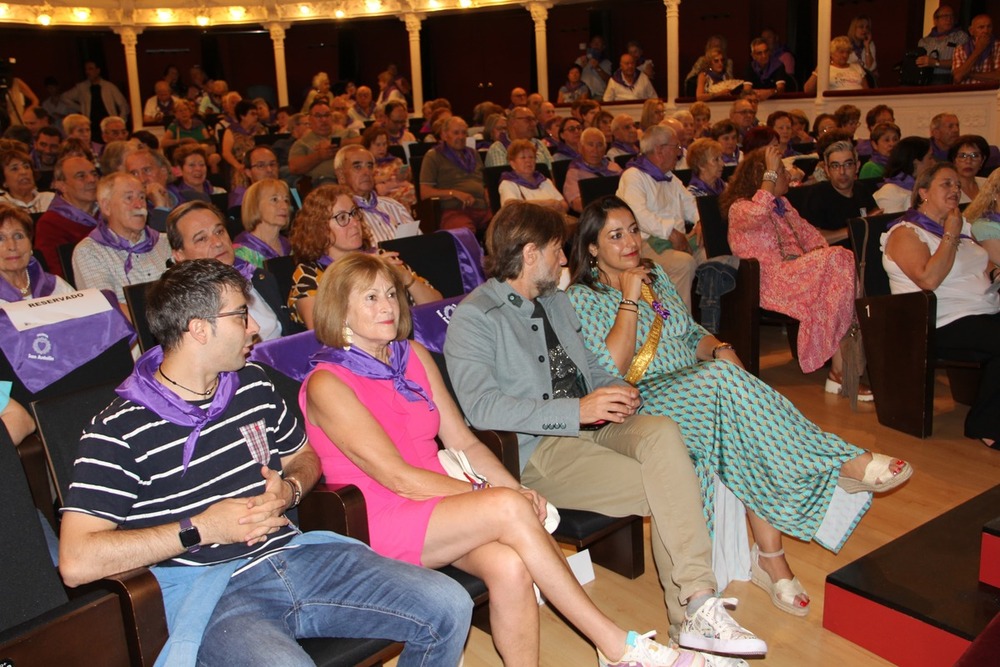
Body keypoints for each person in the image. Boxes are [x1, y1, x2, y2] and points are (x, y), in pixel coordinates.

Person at [302, 252, 712, 667]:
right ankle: (615, 645)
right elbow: (398, 478)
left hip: (440, 505)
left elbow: (463, 440)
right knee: (506, 505)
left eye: (391, 293)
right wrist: (490, 493)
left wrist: (516, 487)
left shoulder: (412, 356)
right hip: (381, 515)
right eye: (370, 298)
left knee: (512, 564)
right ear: (341, 309)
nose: (388, 306)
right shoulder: (327, 383)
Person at [58, 258, 473, 666]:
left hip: (297, 556)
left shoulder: (252, 384)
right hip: (213, 590)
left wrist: (290, 487)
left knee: (448, 604)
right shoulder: (118, 428)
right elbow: (77, 561)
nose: (255, 327)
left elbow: (304, 456)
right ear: (199, 329)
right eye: (241, 315)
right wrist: (200, 529)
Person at [444, 201, 768, 658]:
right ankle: (690, 618)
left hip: (592, 423)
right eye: (558, 250)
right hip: (540, 451)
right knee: (675, 481)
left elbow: (592, 368)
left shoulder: (555, 301)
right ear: (531, 253)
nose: (564, 260)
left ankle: (697, 606)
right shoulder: (476, 317)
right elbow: (481, 407)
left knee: (662, 433)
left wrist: (617, 389)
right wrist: (575, 410)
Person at [566, 196, 912, 615]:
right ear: (591, 248)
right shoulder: (582, 297)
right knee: (722, 389)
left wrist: (719, 347)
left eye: (633, 230)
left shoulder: (654, 273)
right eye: (615, 235)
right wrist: (630, 297)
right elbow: (612, 369)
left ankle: (772, 561)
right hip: (643, 402)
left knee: (740, 421)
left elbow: (692, 334)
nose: (630, 242)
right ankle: (841, 461)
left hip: (699, 389)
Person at [722, 146, 867, 396]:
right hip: (769, 280)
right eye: (781, 172)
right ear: (764, 176)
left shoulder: (783, 204)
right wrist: (769, 171)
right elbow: (758, 213)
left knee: (844, 265)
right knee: (839, 264)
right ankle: (842, 369)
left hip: (798, 273)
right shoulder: (741, 208)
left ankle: (840, 369)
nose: (789, 177)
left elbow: (812, 237)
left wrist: (818, 255)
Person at [883, 163, 1000, 448]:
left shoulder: (960, 227)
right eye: (946, 184)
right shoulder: (906, 232)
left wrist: (996, 272)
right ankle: (985, 426)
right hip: (942, 320)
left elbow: (982, 265)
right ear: (923, 192)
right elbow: (929, 279)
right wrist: (949, 233)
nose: (955, 190)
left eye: (957, 185)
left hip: (983, 310)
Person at [288, 185, 440, 328]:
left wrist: (405, 277)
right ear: (320, 228)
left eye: (354, 213)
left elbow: (439, 307)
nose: (354, 222)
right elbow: (322, 329)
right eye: (342, 218)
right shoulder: (310, 274)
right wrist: (366, 275)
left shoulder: (381, 257)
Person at [167, 201, 293, 341]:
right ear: (179, 255)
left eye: (219, 231)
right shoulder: (182, 306)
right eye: (201, 239)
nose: (218, 242)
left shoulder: (258, 277)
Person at [616, 125, 703, 310]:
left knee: (708, 252)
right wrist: (671, 232)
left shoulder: (670, 177)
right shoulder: (633, 176)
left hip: (677, 240)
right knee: (683, 263)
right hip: (643, 244)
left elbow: (692, 205)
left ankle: (713, 317)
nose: (679, 153)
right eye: (676, 147)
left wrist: (700, 221)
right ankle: (678, 325)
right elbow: (638, 215)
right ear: (659, 150)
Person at [71, 172, 172, 312]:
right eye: (129, 198)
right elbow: (107, 308)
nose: (139, 205)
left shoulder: (165, 242)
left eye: (142, 197)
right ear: (106, 206)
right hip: (130, 331)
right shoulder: (89, 251)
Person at [418, 117, 491, 234]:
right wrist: (454, 193)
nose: (461, 137)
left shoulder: (474, 154)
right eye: (456, 133)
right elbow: (425, 193)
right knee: (464, 233)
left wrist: (487, 192)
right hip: (455, 210)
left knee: (506, 226)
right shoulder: (434, 156)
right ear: (444, 135)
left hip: (482, 208)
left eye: (463, 133)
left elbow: (484, 183)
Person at [336, 144, 421, 244]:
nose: (366, 172)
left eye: (370, 166)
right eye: (357, 167)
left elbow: (419, 243)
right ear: (341, 175)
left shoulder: (395, 206)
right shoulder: (339, 216)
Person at [34, 155, 101, 278]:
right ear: (62, 186)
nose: (92, 179)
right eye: (81, 176)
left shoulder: (109, 213)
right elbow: (56, 274)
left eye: (94, 174)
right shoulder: (50, 224)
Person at [797, 140, 879, 239]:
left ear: (857, 167)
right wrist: (854, 229)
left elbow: (876, 216)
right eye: (835, 166)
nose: (842, 172)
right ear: (827, 170)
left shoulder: (861, 189)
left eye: (848, 164)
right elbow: (811, 238)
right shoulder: (817, 194)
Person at [0, 204, 74, 302]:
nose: (12, 246)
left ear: (30, 241)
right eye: (0, 238)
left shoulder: (55, 286)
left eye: (18, 236)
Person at [498, 139, 570, 220]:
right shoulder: (508, 183)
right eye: (523, 157)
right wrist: (548, 203)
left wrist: (558, 205)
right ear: (512, 163)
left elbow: (565, 206)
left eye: (531, 157)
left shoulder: (544, 181)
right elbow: (512, 208)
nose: (528, 161)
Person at [234, 178, 292, 268]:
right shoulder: (242, 253)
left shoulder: (289, 246)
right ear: (255, 206)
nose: (284, 206)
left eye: (286, 200)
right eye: (275, 199)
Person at [563, 128, 622, 214]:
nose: (595, 150)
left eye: (599, 145)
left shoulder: (614, 167)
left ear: (605, 148)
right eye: (590, 145)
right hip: (596, 216)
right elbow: (576, 204)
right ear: (580, 147)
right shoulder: (574, 172)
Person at [360, 125, 416, 209]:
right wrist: (384, 178)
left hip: (400, 190)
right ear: (368, 146)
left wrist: (404, 175)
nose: (382, 148)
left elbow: (408, 178)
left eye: (384, 144)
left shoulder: (396, 161)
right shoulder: (365, 164)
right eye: (378, 145)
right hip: (379, 197)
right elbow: (362, 182)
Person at [873, 137, 933, 214]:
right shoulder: (890, 192)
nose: (933, 163)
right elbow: (892, 224)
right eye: (930, 158)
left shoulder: (928, 188)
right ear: (915, 163)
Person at [485, 107, 554, 171]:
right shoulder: (498, 148)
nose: (533, 124)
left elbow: (552, 171)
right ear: (512, 122)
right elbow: (501, 178)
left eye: (534, 120)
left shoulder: (539, 144)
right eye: (528, 120)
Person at [62, 61, 129, 125]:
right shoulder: (82, 87)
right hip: (91, 124)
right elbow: (65, 97)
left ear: (97, 70)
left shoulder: (109, 87)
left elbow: (123, 105)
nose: (87, 72)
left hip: (108, 124)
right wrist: (81, 108)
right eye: (86, 69)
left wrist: (120, 121)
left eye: (90, 69)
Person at [917, 5, 968, 85]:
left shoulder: (960, 36)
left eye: (952, 16)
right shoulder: (924, 41)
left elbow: (963, 62)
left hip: (949, 78)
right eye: (945, 16)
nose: (949, 19)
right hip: (926, 79)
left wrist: (935, 63)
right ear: (935, 21)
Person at [221, 100, 266, 192]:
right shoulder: (231, 130)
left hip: (259, 163)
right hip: (240, 164)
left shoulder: (260, 129)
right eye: (252, 114)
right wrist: (238, 165)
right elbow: (226, 153)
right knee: (241, 174)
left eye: (257, 114)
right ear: (242, 116)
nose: (256, 117)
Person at [804, 36, 869, 93]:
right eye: (841, 52)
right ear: (831, 53)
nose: (845, 55)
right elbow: (807, 90)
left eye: (847, 52)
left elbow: (866, 91)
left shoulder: (857, 67)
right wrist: (818, 70)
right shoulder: (825, 68)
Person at [0, 149, 54, 214]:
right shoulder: (2, 204)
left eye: (26, 167)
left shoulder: (51, 199)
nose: (23, 172)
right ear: (4, 181)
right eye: (14, 169)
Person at [953, 14, 1000, 84]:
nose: (986, 31)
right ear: (971, 31)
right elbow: (957, 77)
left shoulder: (998, 46)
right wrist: (978, 50)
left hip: (990, 93)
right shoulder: (960, 49)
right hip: (966, 92)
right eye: (981, 27)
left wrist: (969, 74)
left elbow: (997, 77)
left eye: (989, 27)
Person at [949, 134, 989, 204]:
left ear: (982, 160)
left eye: (974, 156)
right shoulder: (947, 189)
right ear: (954, 160)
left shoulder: (989, 185)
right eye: (962, 156)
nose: (968, 161)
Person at [847, 15, 878, 83]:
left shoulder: (870, 44)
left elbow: (870, 67)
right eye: (861, 27)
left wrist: (867, 46)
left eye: (867, 27)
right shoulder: (846, 44)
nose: (865, 30)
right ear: (854, 29)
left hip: (867, 79)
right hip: (849, 79)